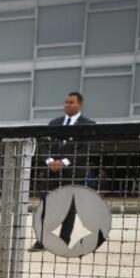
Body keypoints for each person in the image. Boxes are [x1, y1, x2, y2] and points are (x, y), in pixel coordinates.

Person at [30, 91, 97, 251]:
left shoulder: (88, 125)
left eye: (71, 102)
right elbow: (43, 145)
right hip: (51, 172)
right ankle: (42, 240)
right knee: (46, 206)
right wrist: (50, 161)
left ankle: (63, 241)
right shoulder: (54, 123)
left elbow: (86, 148)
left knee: (69, 208)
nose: (67, 105)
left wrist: (65, 162)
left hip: (73, 173)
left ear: (80, 104)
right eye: (66, 102)